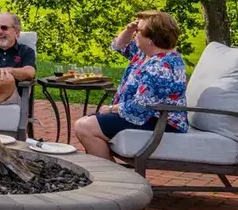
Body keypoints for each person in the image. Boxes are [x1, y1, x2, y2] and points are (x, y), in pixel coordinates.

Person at [74, 12, 188, 159]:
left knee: (85, 127)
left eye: (138, 31)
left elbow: (140, 107)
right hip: (147, 115)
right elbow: (118, 45)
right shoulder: (146, 54)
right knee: (86, 123)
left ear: (151, 40)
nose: (135, 34)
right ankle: (107, 171)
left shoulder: (160, 68)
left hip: (162, 121)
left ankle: (110, 173)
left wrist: (111, 109)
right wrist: (129, 30)